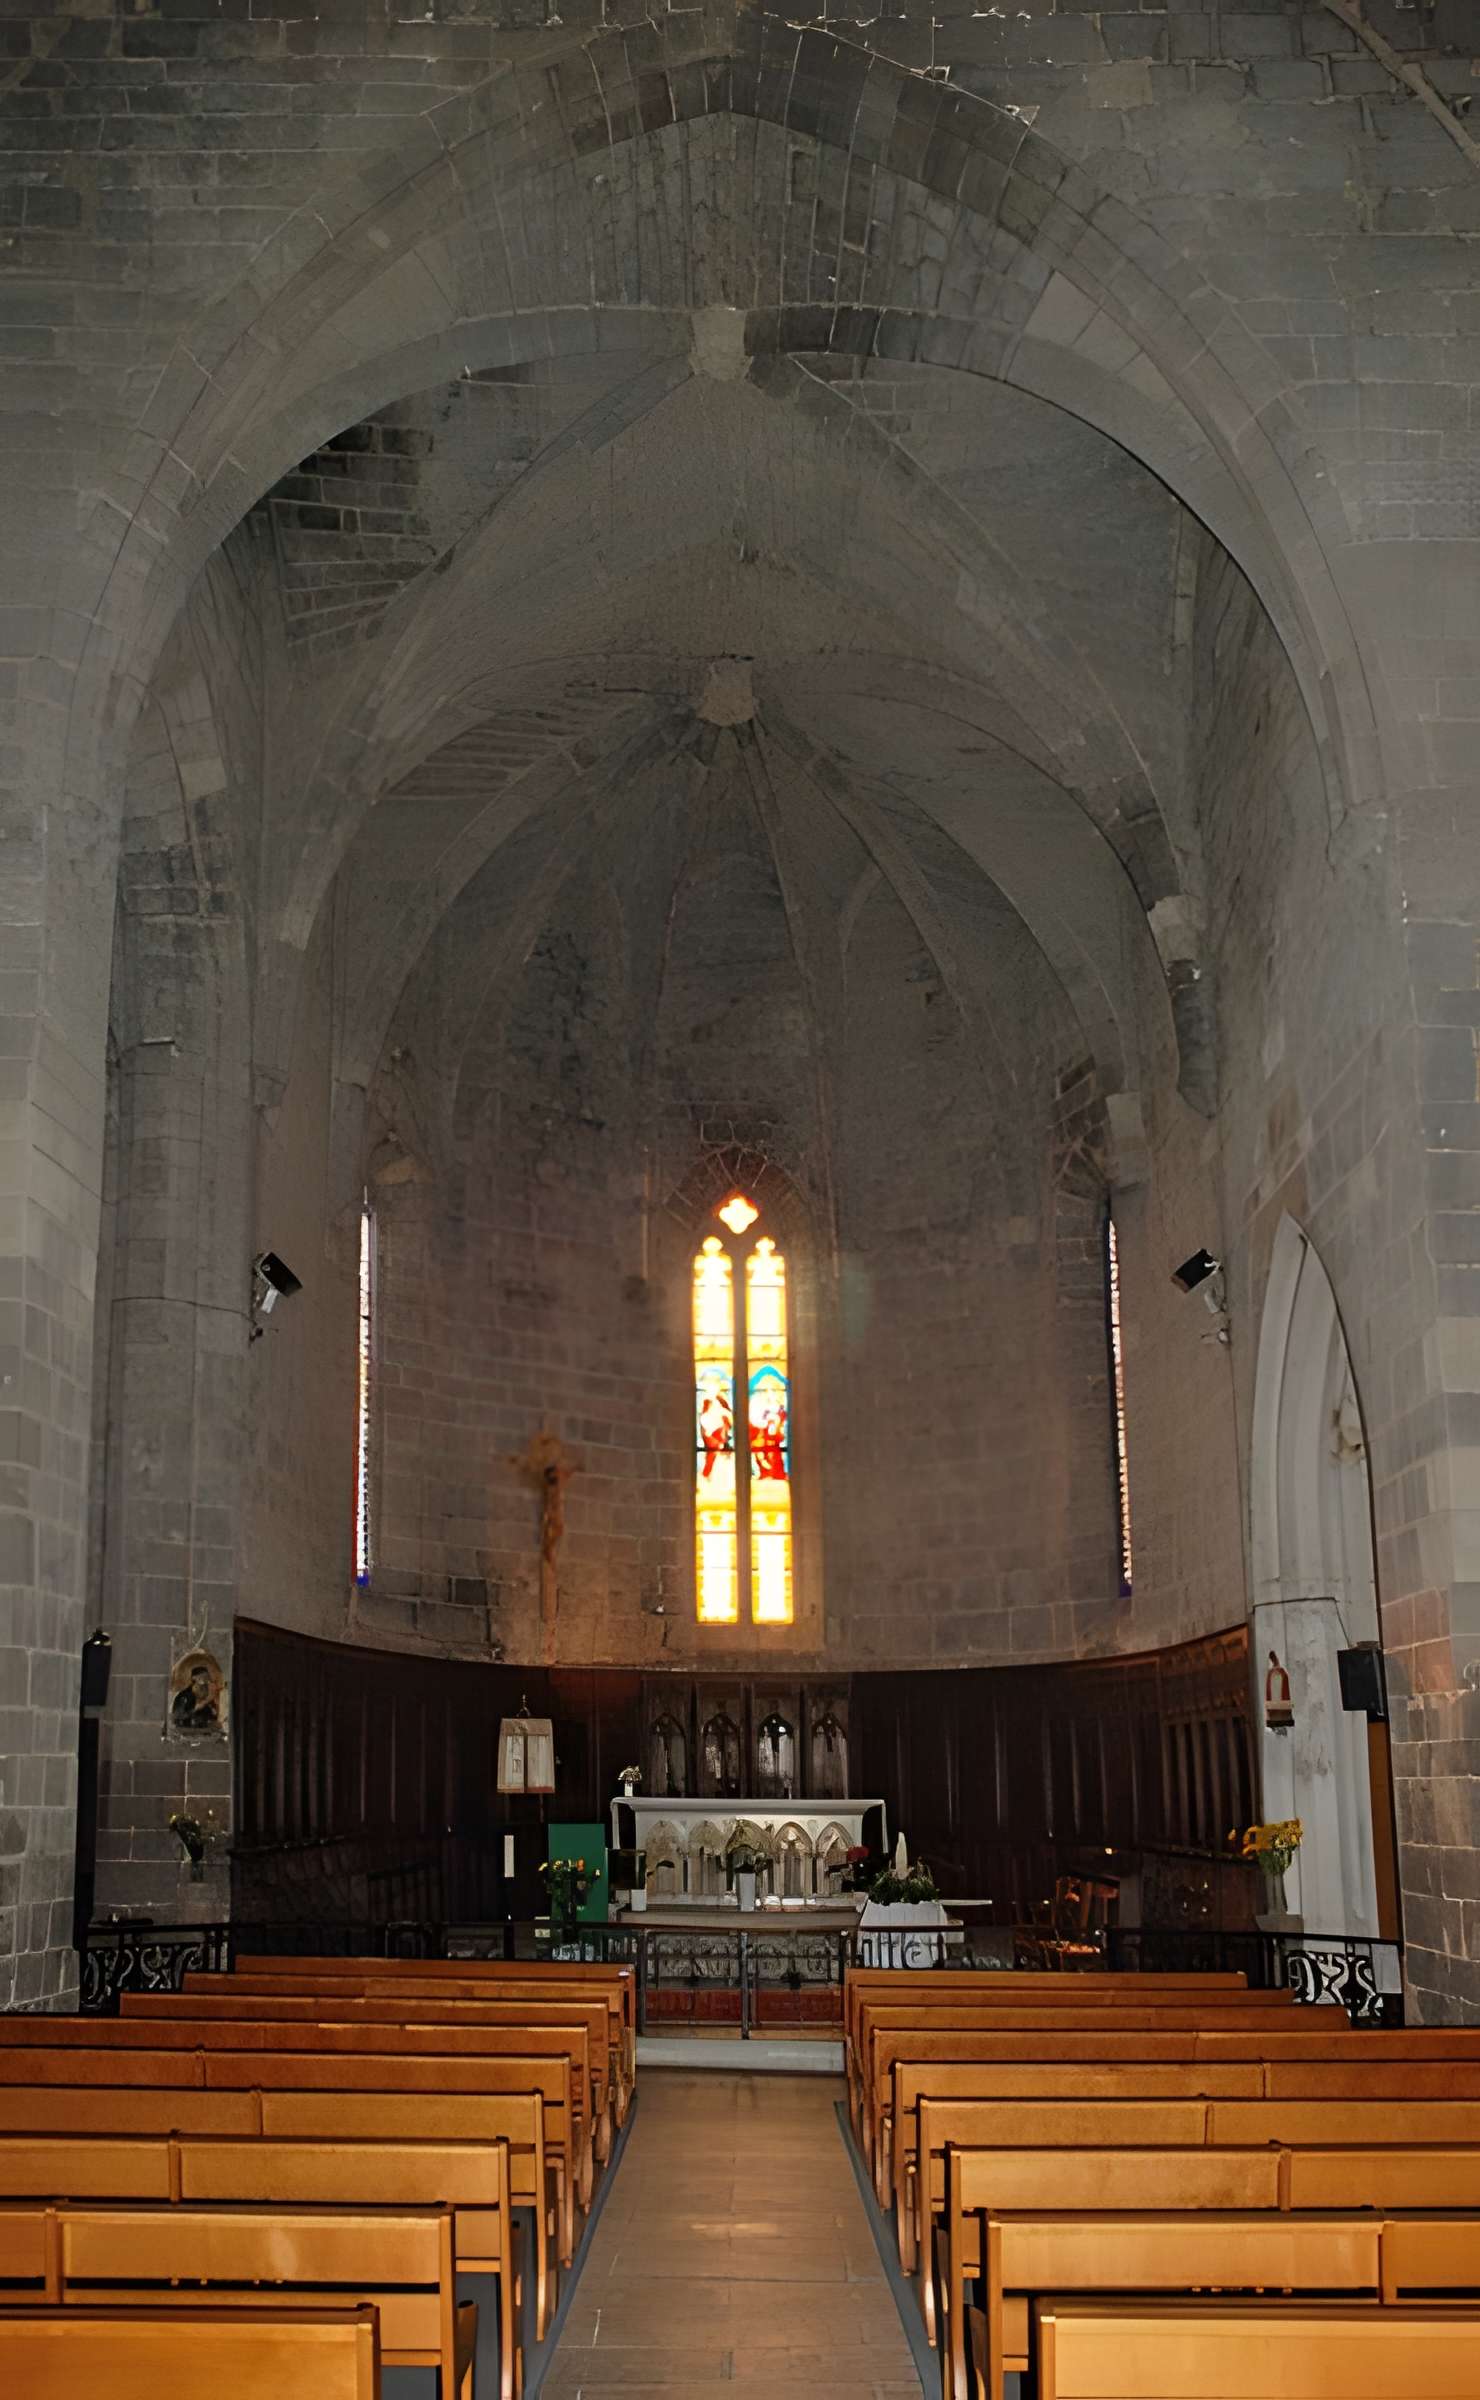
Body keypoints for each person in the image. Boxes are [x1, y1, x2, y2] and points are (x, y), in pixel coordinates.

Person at [171, 1660, 219, 1733]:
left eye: (207, 1677)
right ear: (194, 1678)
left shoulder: (207, 1697)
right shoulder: (184, 1696)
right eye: (202, 1676)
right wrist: (197, 1708)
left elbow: (211, 1717)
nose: (205, 1679)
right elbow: (178, 1716)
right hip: (186, 1731)